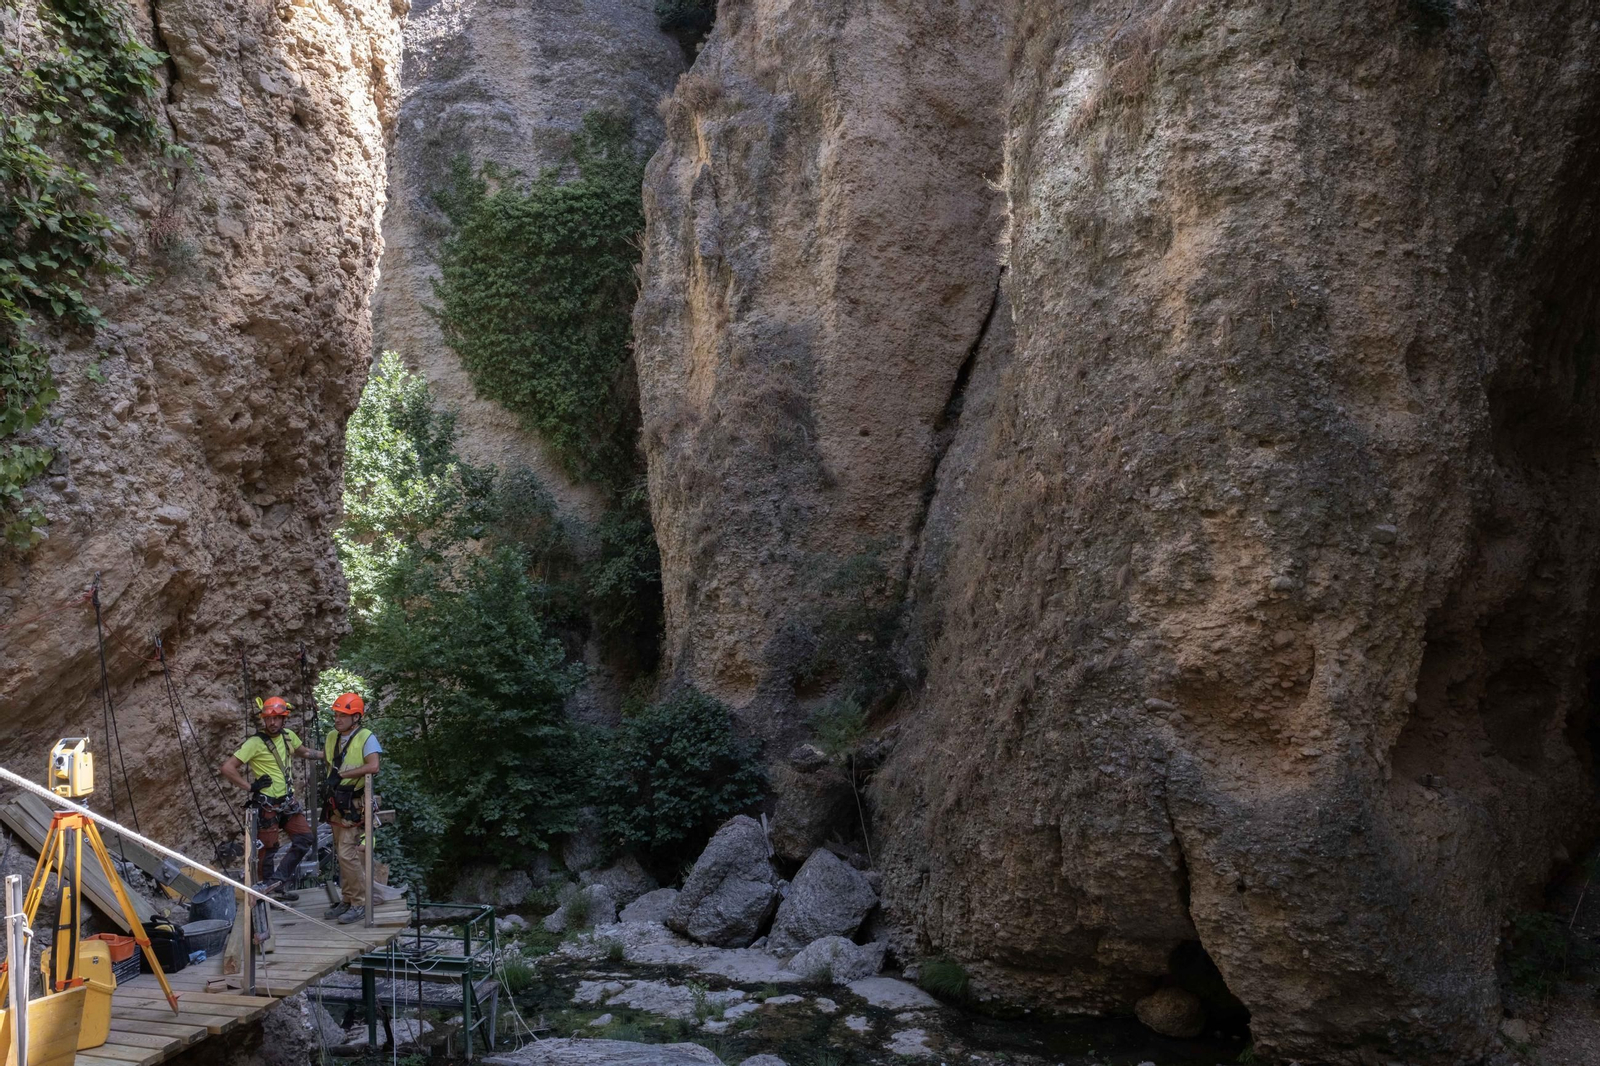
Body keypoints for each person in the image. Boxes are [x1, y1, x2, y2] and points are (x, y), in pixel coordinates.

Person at [219, 696, 321, 899]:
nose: (272, 723)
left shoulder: (289, 736)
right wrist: (250, 786)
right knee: (268, 849)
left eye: (276, 718)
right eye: (268, 719)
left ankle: (275, 883)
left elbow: (305, 752)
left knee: (304, 838)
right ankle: (267, 890)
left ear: (284, 719)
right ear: (264, 719)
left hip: (286, 802)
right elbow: (228, 768)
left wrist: (330, 755)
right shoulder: (255, 743)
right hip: (267, 804)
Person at [321, 691, 381, 924]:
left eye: (343, 715)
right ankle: (347, 899)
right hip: (336, 802)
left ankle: (358, 903)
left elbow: (373, 766)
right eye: (336, 714)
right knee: (341, 853)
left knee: (347, 853)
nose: (337, 719)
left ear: (356, 717)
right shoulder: (331, 737)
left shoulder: (366, 737)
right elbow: (328, 762)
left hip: (354, 802)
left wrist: (344, 775)